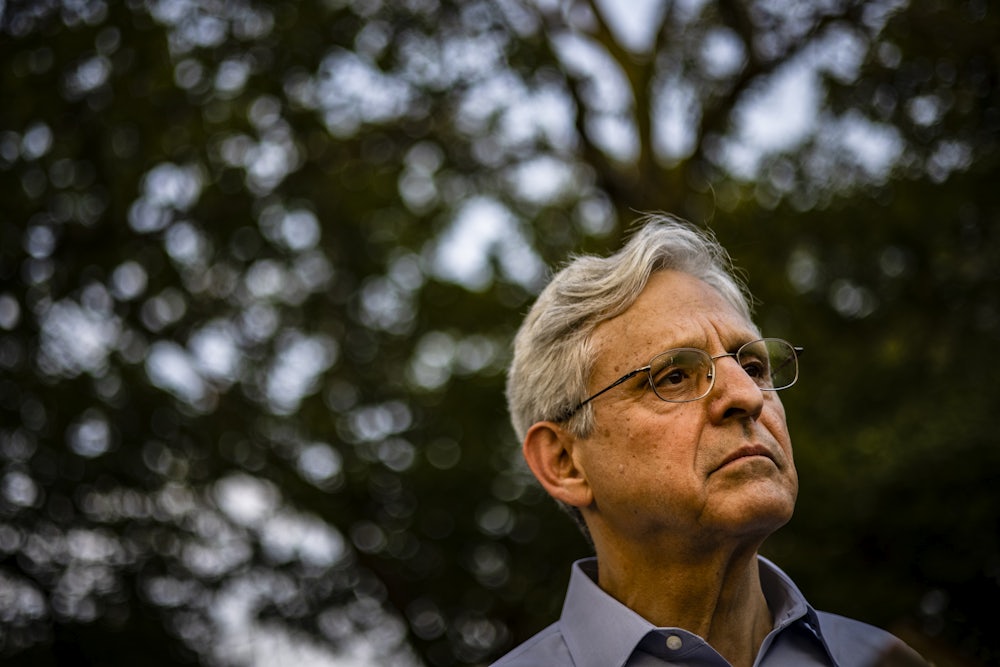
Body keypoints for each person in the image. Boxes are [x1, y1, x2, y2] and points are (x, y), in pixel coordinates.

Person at [495, 215, 927, 667]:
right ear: (564, 462)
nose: (746, 396)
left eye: (755, 368)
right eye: (674, 376)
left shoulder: (883, 659)